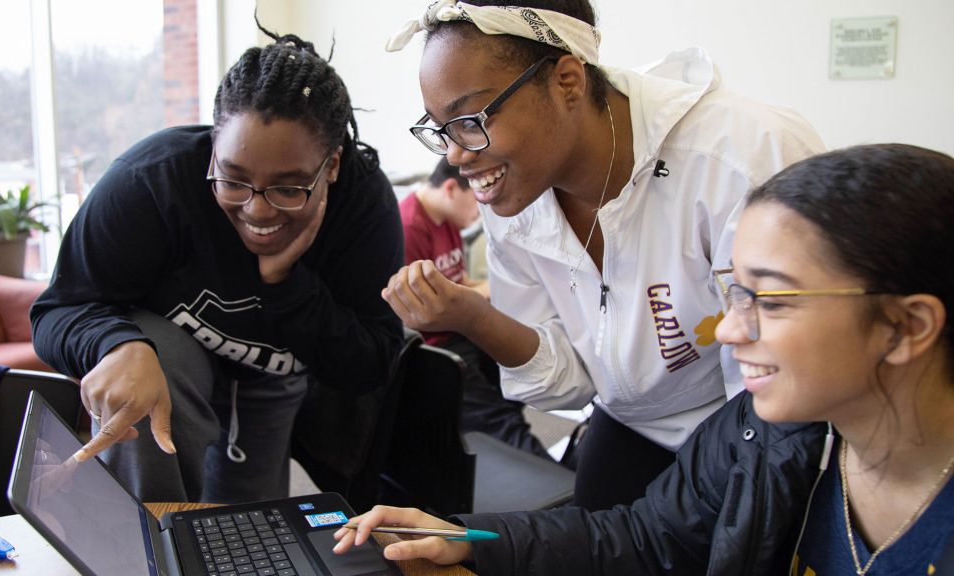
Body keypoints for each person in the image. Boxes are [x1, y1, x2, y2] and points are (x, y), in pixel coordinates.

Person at [337, 143, 954, 575]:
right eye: (733, 291)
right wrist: (469, 538)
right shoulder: (762, 437)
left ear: (906, 325)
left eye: (770, 298)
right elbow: (640, 535)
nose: (730, 331)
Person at [380, 0, 825, 510]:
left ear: (567, 81)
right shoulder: (515, 196)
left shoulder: (739, 160)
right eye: (441, 129)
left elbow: (781, 395)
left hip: (751, 424)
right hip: (631, 423)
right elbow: (570, 385)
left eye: (470, 119)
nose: (456, 155)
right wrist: (474, 317)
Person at [30, 28, 404, 504]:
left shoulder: (362, 206)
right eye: (233, 180)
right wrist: (116, 344)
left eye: (289, 188)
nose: (258, 210)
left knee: (248, 531)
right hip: (169, 359)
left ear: (331, 165)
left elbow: (371, 363)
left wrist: (286, 285)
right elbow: (55, 310)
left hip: (274, 370)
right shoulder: (151, 181)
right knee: (154, 386)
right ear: (213, 146)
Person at [401, 158, 552, 459]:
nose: (481, 208)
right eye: (477, 196)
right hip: (437, 346)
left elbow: (458, 280)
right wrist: (491, 290)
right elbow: (419, 310)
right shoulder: (408, 227)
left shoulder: (448, 218)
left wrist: (489, 288)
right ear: (450, 189)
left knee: (517, 382)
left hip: (459, 330)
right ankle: (556, 485)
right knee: (497, 419)